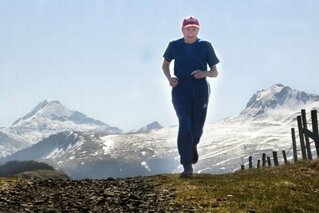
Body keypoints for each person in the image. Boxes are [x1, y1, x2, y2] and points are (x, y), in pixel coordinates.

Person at [162, 16, 220, 178]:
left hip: (200, 89)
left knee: (197, 127)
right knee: (184, 123)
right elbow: (165, 64)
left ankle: (193, 144)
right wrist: (169, 79)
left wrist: (205, 73)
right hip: (180, 88)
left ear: (198, 30)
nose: (191, 31)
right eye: (188, 28)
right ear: (182, 30)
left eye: (194, 28)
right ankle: (187, 166)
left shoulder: (205, 46)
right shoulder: (174, 46)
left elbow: (215, 72)